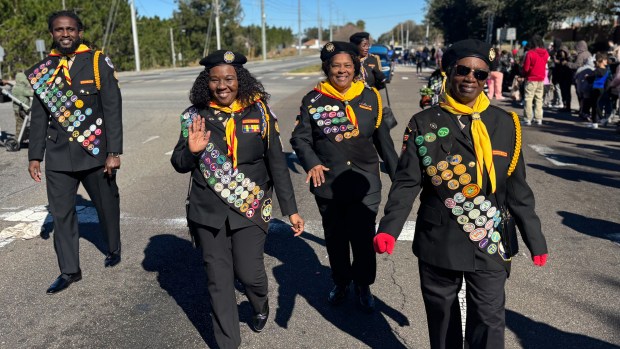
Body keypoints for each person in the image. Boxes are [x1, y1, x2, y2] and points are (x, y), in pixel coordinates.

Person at [374, 39, 548, 349]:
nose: (471, 78)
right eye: (463, 70)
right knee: (442, 316)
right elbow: (407, 183)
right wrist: (389, 227)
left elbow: (517, 187)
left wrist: (534, 237)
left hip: (490, 237)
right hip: (439, 237)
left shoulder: (505, 123)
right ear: (448, 72)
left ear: (487, 79)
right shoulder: (424, 123)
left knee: (490, 316)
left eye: (480, 74)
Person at [170, 50, 304, 348]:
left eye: (228, 79)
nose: (222, 86)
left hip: (251, 206)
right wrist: (191, 151)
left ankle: (259, 303)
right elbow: (179, 164)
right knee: (218, 281)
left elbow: (277, 165)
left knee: (249, 271)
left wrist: (291, 210)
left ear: (239, 80)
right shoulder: (194, 116)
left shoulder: (261, 113)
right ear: (207, 82)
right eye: (215, 80)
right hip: (208, 211)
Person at [290, 41, 398, 313]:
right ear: (327, 68)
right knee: (336, 238)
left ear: (355, 67)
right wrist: (312, 162)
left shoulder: (370, 96)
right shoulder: (313, 100)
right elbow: (300, 138)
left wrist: (400, 177)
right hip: (328, 183)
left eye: (347, 66)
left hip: (365, 181)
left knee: (362, 238)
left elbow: (383, 140)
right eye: (335, 66)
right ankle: (341, 282)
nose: (341, 71)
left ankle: (363, 284)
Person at [26, 10, 123, 294]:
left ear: (79, 32)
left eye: (70, 29)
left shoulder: (96, 61)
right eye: (59, 30)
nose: (65, 34)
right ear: (52, 34)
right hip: (59, 156)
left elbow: (112, 107)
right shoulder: (45, 68)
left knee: (106, 205)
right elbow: (39, 116)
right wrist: (35, 155)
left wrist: (114, 151)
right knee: (61, 214)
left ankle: (113, 247)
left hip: (95, 152)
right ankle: (70, 270)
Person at [522, 35, 549, 125]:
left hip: (531, 78)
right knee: (539, 99)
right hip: (541, 78)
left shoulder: (530, 53)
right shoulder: (546, 53)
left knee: (528, 98)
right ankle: (538, 118)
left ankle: (528, 118)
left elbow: (526, 68)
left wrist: (524, 75)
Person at [11, 71, 33, 138]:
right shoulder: (21, 89)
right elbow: (31, 93)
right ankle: (18, 138)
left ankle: (21, 137)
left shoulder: (15, 87)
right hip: (21, 110)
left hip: (18, 109)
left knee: (20, 124)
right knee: (20, 125)